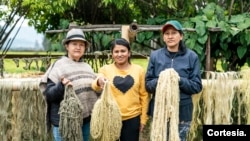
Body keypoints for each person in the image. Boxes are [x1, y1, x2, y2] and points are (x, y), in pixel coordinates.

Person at [145, 20, 203, 141]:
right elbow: (148, 84)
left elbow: (197, 86)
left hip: (182, 112)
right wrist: (162, 80)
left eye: (174, 33)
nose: (170, 36)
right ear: (163, 37)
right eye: (167, 33)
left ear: (181, 36)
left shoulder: (191, 57)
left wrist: (179, 80)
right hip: (160, 112)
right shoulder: (155, 56)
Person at [39, 28, 99, 141]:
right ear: (67, 46)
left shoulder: (87, 67)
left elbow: (94, 90)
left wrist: (100, 84)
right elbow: (49, 94)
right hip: (65, 122)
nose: (78, 47)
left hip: (85, 120)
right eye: (74, 44)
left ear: (85, 48)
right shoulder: (59, 66)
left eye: (81, 44)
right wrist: (61, 86)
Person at [91, 38, 150, 141]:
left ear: (129, 53)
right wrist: (99, 81)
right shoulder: (105, 69)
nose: (120, 54)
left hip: (132, 118)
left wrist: (143, 119)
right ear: (112, 54)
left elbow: (144, 96)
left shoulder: (139, 70)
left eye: (123, 51)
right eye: (116, 51)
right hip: (110, 117)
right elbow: (94, 86)